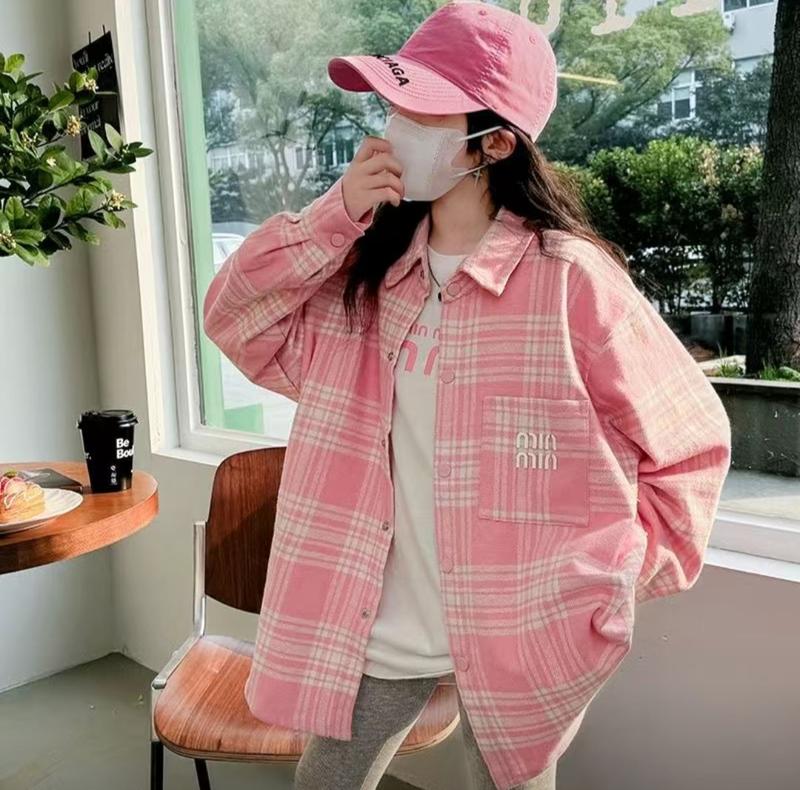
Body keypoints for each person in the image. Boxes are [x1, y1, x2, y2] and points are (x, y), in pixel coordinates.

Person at [202, 2, 732, 789]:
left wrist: (615, 579)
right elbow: (233, 318)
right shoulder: (365, 277)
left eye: (421, 110)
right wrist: (333, 216)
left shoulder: (568, 280)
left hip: (522, 629)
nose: (393, 127)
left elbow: (692, 445)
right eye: (392, 103)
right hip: (382, 622)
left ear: (494, 144)